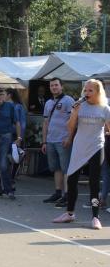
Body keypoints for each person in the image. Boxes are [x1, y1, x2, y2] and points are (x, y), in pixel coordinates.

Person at [53, 79, 110, 230]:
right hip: (79, 146)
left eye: (91, 90)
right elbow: (70, 126)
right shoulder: (80, 106)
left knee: (94, 182)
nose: (87, 93)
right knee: (71, 179)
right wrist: (75, 113)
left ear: (98, 92)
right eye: (86, 90)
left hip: (96, 146)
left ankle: (95, 217)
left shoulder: (104, 108)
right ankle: (69, 213)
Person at [41, 78, 75, 207]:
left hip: (63, 140)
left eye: (56, 85)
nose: (54, 87)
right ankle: (57, 192)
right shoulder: (48, 102)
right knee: (56, 168)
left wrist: (69, 137)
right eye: (52, 85)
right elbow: (45, 123)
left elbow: (73, 120)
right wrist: (44, 141)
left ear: (61, 86)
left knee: (66, 168)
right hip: (50, 140)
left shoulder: (68, 100)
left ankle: (67, 195)